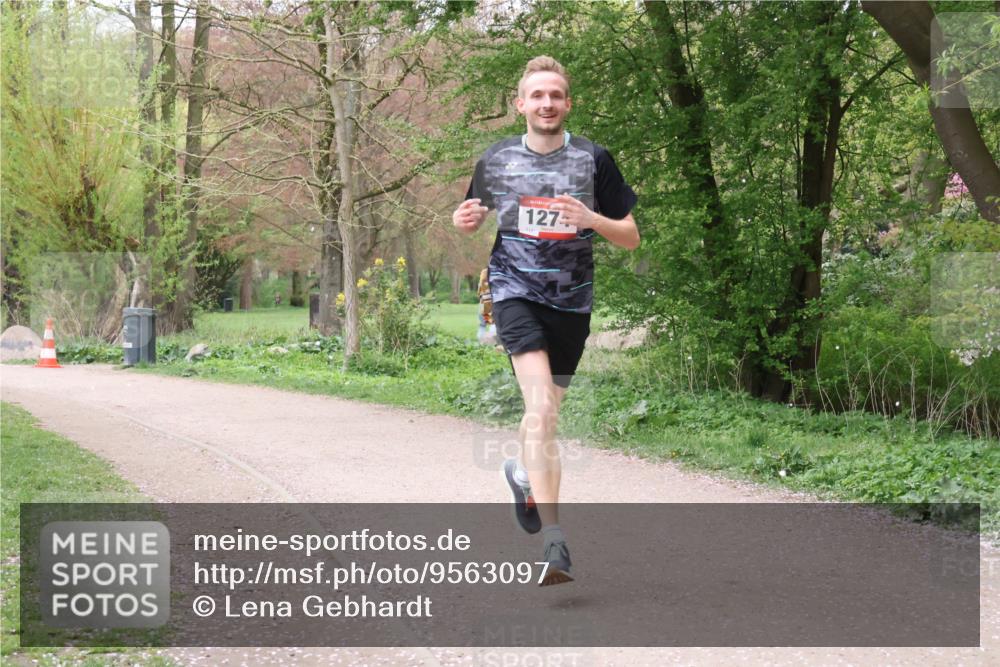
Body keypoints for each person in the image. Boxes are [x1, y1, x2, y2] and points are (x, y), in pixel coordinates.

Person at [452, 56, 639, 586]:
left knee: (547, 417)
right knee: (538, 407)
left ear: (568, 103)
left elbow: (631, 236)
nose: (547, 104)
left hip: (572, 304)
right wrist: (461, 218)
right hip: (513, 291)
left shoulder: (593, 160)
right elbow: (471, 216)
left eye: (555, 95)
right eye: (537, 96)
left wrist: (592, 219)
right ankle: (556, 544)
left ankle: (520, 473)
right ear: (520, 105)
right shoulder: (497, 159)